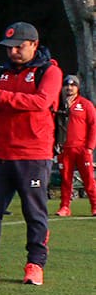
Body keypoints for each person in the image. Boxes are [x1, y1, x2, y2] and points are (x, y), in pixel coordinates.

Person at [0, 22, 60, 284]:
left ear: (34, 45)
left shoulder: (49, 71)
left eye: (19, 46)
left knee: (34, 212)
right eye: (9, 47)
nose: (13, 52)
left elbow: (42, 103)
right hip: (0, 152)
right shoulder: (1, 72)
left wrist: (0, 95)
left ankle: (35, 264)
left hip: (33, 154)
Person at [55, 74, 94, 218]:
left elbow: (93, 125)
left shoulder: (85, 104)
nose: (69, 88)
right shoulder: (58, 104)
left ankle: (95, 206)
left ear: (77, 88)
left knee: (88, 178)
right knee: (65, 179)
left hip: (82, 148)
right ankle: (65, 207)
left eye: (73, 85)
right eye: (67, 85)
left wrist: (89, 147)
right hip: (64, 149)